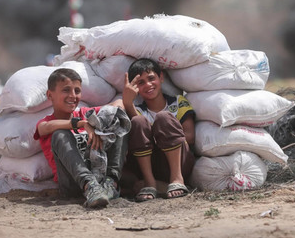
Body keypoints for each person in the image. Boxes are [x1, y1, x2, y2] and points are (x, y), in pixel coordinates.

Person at [33, 68, 127, 208]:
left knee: (117, 122)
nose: (73, 96)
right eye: (66, 90)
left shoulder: (86, 114)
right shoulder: (46, 123)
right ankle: (90, 187)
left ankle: (110, 184)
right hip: (73, 184)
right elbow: (46, 127)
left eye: (77, 91)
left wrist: (99, 124)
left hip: (100, 176)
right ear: (50, 95)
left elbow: (118, 104)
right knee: (60, 134)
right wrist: (80, 124)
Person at [122, 58, 195, 201]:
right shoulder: (138, 111)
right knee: (137, 121)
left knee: (163, 118)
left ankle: (176, 180)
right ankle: (150, 183)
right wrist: (127, 102)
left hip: (179, 162)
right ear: (135, 88)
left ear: (161, 77)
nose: (148, 85)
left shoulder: (178, 102)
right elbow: (139, 135)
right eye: (140, 83)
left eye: (151, 78)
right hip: (151, 166)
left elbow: (190, 136)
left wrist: (163, 137)